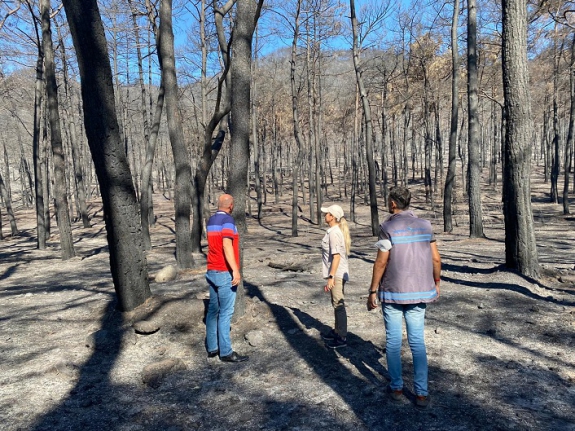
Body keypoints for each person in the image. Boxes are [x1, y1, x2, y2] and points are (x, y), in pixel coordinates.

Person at [367, 186, 441, 407]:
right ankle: (421, 393)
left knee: (393, 341)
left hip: (392, 292)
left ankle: (397, 388)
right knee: (417, 342)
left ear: (392, 204)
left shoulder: (387, 227)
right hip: (419, 292)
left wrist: (372, 290)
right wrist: (436, 282)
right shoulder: (426, 226)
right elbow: (436, 259)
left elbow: (381, 261)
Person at [205, 194, 248, 363]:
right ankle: (226, 352)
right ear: (231, 206)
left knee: (213, 311)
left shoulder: (211, 220)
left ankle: (212, 348)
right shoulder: (228, 221)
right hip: (224, 272)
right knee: (225, 313)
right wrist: (235, 270)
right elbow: (227, 245)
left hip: (211, 270)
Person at [320, 204, 351, 349]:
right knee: (336, 302)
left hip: (336, 273)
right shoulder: (334, 231)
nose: (324, 215)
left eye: (327, 213)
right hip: (336, 273)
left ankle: (342, 337)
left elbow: (336, 257)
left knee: (338, 304)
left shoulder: (334, 233)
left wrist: (331, 276)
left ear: (332, 217)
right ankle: (338, 331)